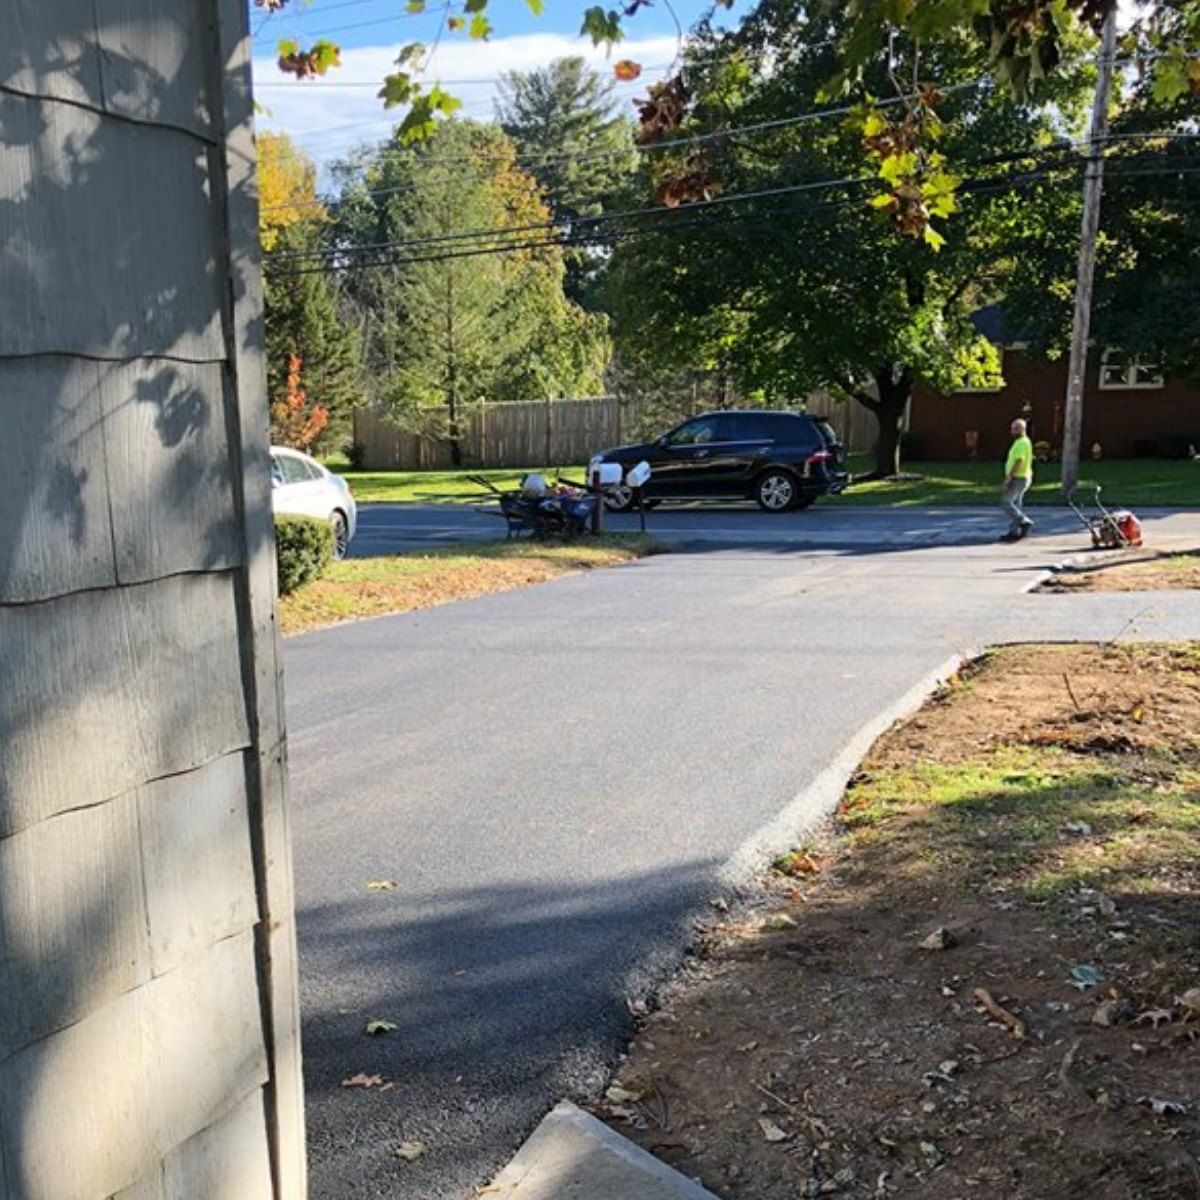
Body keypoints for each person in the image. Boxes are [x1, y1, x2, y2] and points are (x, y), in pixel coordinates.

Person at [1000, 418, 1034, 542]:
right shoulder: (1024, 441)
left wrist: (1009, 477)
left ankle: (1024, 521)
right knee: (1017, 505)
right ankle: (1014, 532)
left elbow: (1019, 461)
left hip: (1018, 478)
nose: (1012, 431)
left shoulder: (1021, 443)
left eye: (1015, 429)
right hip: (1023, 476)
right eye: (1012, 428)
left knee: (1006, 502)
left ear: (1022, 429)